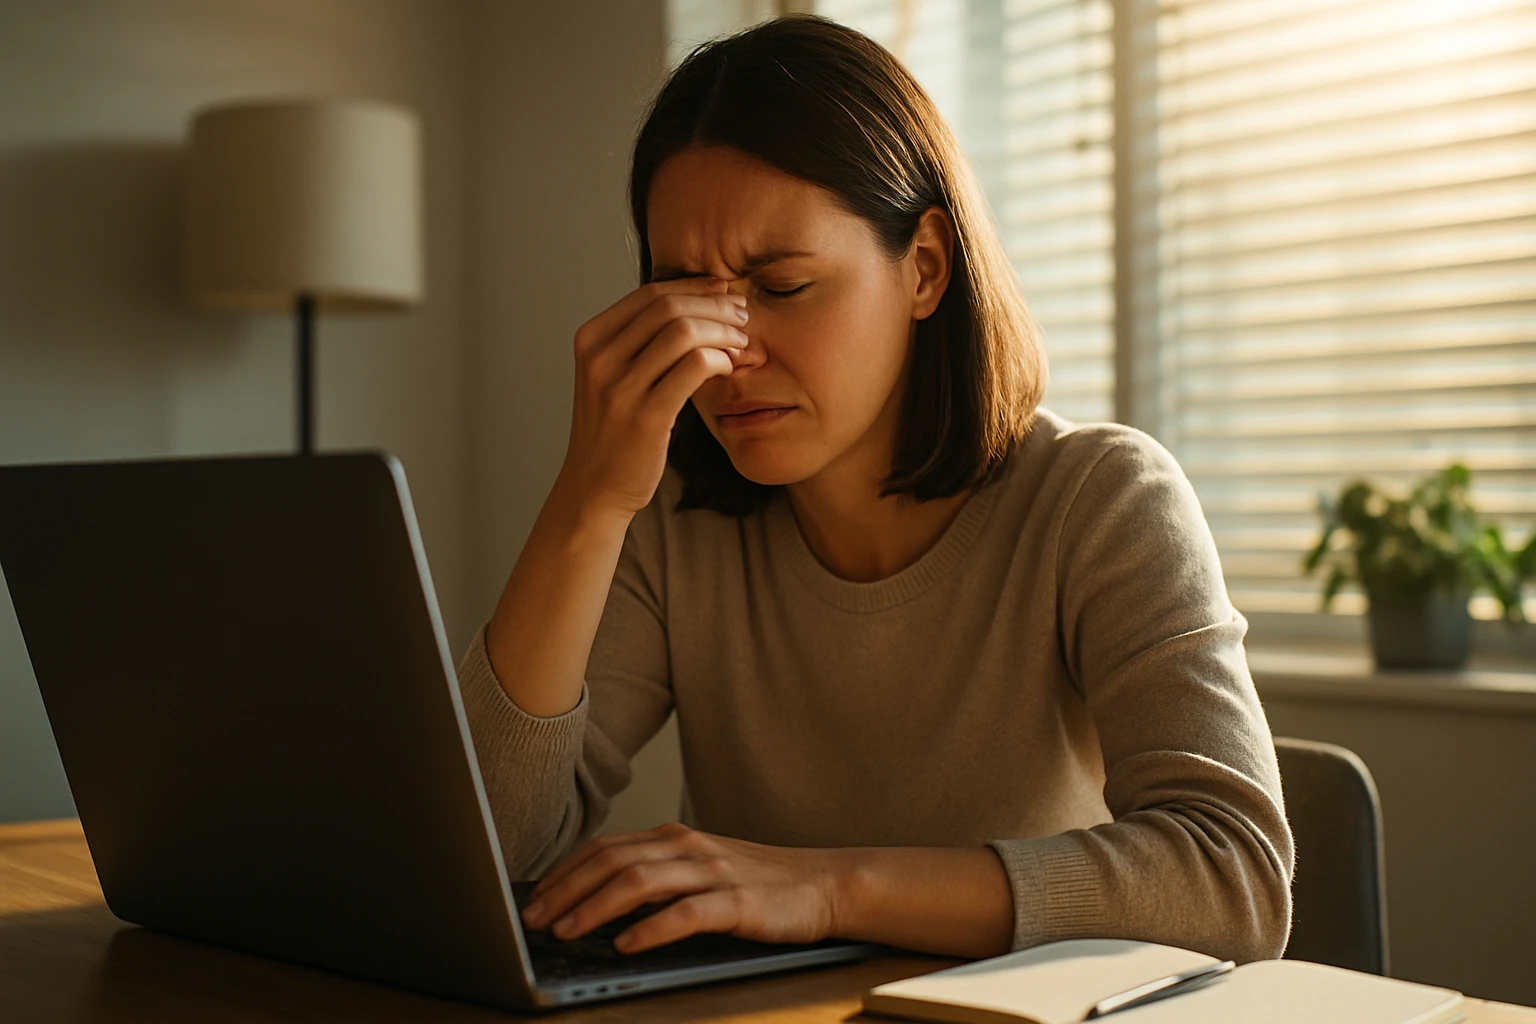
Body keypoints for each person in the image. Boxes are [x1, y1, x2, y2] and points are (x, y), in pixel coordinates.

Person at [455, 15, 1293, 963]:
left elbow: (1234, 877)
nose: (726, 353)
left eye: (782, 285)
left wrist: (821, 888)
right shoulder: (672, 525)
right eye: (683, 290)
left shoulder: (1102, 500)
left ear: (925, 268)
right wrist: (586, 502)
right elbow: (486, 855)